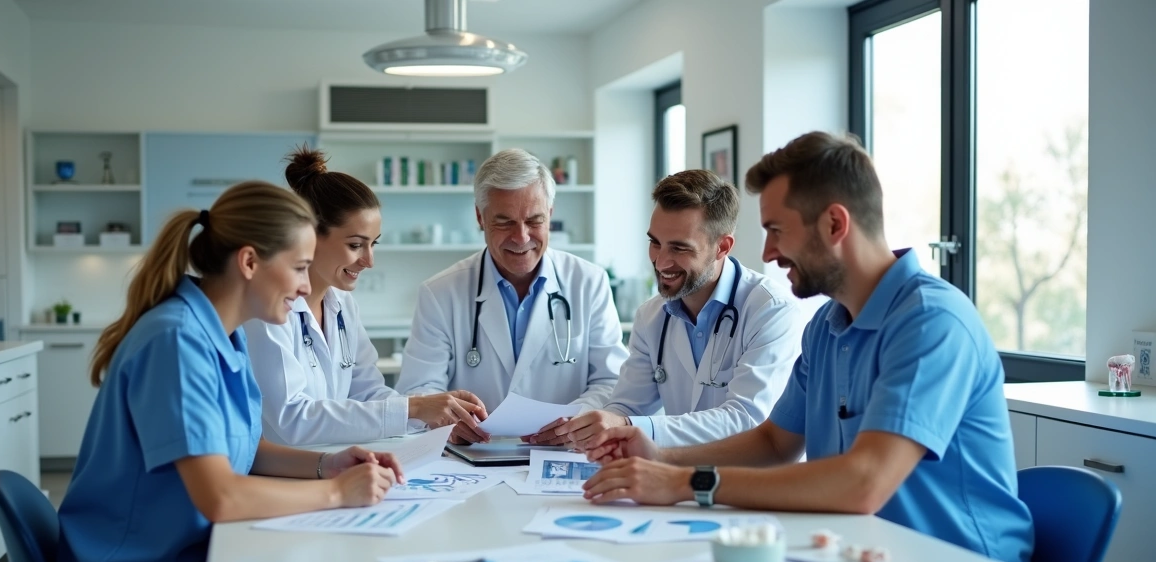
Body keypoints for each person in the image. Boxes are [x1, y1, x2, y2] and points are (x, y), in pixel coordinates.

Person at [579, 132, 1034, 562]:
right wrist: (660, 458)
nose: (770, 252)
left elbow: (864, 482)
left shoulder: (931, 322)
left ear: (835, 224)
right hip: (860, 554)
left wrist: (685, 482)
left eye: (777, 230)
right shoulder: (827, 326)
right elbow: (774, 442)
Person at [56, 181, 406, 562]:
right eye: (300, 267)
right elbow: (220, 496)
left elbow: (248, 450)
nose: (306, 286)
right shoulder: (176, 341)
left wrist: (327, 464)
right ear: (248, 262)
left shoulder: (226, 334)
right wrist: (338, 494)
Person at [531, 170, 803, 448]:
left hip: (753, 484)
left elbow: (745, 420)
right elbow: (626, 407)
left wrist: (626, 426)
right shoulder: (651, 316)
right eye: (655, 243)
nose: (661, 262)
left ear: (722, 246)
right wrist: (583, 426)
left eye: (679, 248)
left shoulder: (770, 311)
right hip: (681, 478)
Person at [243, 147, 488, 445]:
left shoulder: (342, 304)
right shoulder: (267, 310)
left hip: (334, 465)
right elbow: (293, 419)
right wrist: (416, 408)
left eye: (373, 244)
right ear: (309, 235)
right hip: (281, 476)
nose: (369, 261)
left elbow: (368, 391)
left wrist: (432, 416)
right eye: (356, 245)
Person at [395, 148, 628, 444]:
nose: (521, 237)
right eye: (504, 222)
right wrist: (443, 418)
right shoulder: (440, 292)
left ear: (551, 215)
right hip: (474, 456)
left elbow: (611, 381)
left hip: (564, 452)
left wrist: (570, 422)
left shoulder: (589, 282)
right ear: (480, 217)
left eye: (534, 220)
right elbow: (419, 390)